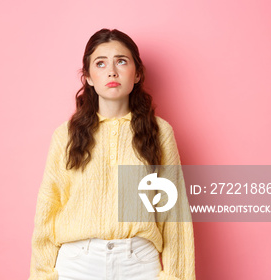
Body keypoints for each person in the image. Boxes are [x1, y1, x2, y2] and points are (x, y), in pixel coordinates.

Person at [28, 28, 195, 280]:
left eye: (121, 61)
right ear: (89, 77)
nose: (112, 71)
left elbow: (174, 215)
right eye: (101, 63)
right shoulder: (66, 134)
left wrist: (178, 276)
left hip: (139, 264)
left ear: (137, 74)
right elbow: (48, 208)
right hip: (77, 264)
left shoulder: (160, 133)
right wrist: (41, 275)